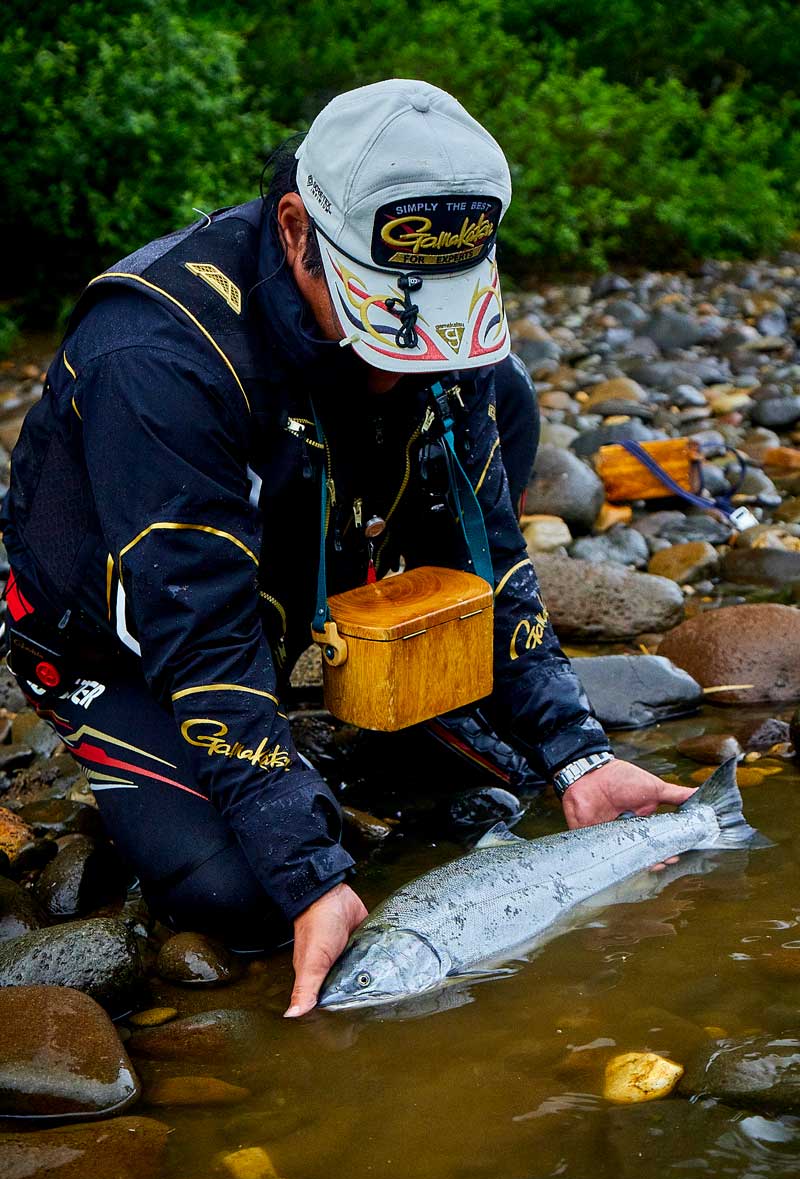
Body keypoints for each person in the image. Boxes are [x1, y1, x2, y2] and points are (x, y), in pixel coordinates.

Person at [1, 79, 693, 1016]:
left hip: (305, 552)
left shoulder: (454, 344)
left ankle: (378, 690)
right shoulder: (155, 358)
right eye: (380, 324)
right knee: (242, 900)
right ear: (295, 231)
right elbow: (198, 639)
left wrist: (579, 755)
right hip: (113, 638)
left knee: (527, 766)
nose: (401, 363)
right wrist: (310, 873)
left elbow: (490, 549)